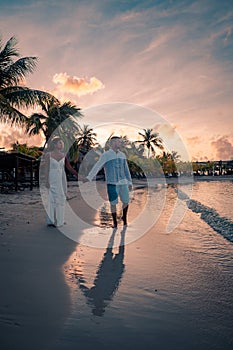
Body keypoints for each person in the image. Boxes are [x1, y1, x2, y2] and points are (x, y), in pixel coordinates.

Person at [85, 136, 132, 228]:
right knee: (113, 203)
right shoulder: (106, 155)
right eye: (118, 141)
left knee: (126, 201)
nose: (120, 143)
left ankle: (124, 218)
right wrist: (89, 177)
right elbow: (97, 166)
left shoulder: (122, 155)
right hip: (112, 183)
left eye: (120, 141)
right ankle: (115, 222)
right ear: (112, 143)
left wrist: (129, 182)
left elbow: (126, 170)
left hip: (123, 182)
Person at [44, 137, 79, 227]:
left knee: (61, 198)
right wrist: (47, 181)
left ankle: (60, 220)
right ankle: (51, 220)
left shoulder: (64, 155)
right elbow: (46, 169)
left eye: (62, 143)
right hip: (52, 178)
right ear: (55, 145)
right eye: (60, 143)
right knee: (51, 199)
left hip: (61, 178)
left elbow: (69, 168)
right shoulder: (48, 155)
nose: (62, 144)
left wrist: (78, 175)